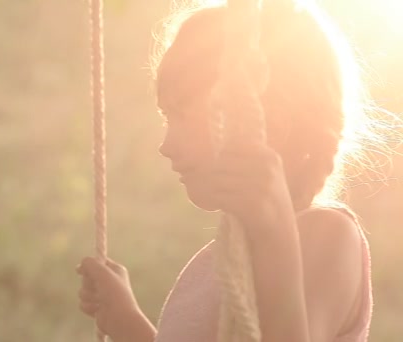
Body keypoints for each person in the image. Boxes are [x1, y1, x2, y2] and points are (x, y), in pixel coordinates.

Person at [76, 1, 395, 341]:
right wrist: (129, 324)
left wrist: (275, 234)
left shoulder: (328, 235)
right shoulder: (223, 257)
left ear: (268, 123)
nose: (165, 146)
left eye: (181, 115)